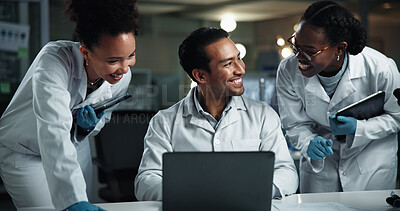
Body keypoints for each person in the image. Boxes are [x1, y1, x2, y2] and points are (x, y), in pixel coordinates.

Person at [0, 0, 139, 210]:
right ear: (86, 53)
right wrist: (73, 201)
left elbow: (104, 116)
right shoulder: (54, 61)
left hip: (74, 147)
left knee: (83, 201)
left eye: (131, 56)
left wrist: (87, 127)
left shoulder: (122, 78)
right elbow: (53, 128)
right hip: (25, 150)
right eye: (113, 61)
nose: (124, 68)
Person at [134, 27, 298, 201]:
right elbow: (146, 181)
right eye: (228, 63)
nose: (241, 69)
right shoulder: (164, 122)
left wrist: (253, 192)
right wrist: (193, 196)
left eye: (239, 59)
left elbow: (287, 172)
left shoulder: (263, 115)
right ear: (200, 76)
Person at [276, 0, 400, 193]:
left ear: (340, 49)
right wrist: (309, 142)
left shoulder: (380, 68)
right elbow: (293, 123)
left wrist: (359, 128)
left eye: (309, 51)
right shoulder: (288, 70)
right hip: (321, 170)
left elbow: (396, 116)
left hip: (370, 166)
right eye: (295, 46)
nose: (299, 57)